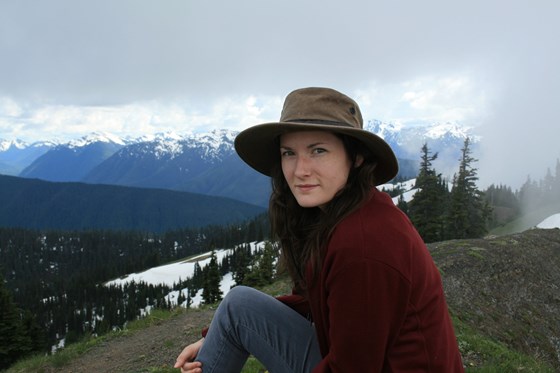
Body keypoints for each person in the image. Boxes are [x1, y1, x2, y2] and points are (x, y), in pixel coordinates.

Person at [174, 87, 464, 372]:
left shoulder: (363, 245)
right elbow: (312, 302)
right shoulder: (340, 213)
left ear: (357, 157)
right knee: (238, 305)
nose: (300, 170)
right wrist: (219, 337)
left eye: (318, 150)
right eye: (289, 153)